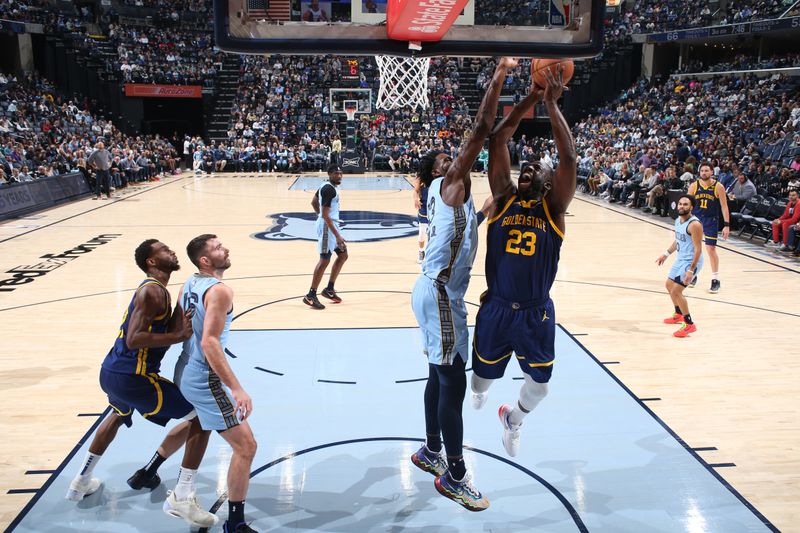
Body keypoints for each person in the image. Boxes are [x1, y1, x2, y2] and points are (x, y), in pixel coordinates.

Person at [409, 56, 517, 513]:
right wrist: (500, 76)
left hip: (431, 291)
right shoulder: (450, 182)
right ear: (440, 173)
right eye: (444, 159)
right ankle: (454, 473)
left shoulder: (449, 199)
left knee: (439, 373)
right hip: (440, 296)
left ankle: (431, 449)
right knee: (453, 382)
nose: (452, 158)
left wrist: (497, 201)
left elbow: (471, 222)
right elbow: (479, 130)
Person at [65, 239, 217, 529]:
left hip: (112, 372)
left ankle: (81, 481)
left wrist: (181, 313)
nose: (171, 250)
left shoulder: (159, 291)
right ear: (151, 261)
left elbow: (161, 328)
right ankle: (182, 496)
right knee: (201, 418)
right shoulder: (152, 291)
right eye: (163, 250)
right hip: (135, 377)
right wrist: (177, 336)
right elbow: (135, 338)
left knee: (117, 416)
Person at [469, 65, 576, 458]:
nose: (528, 168)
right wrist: (531, 97)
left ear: (550, 182)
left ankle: (513, 419)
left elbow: (568, 156)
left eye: (537, 168)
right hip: (496, 307)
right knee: (479, 382)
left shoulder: (555, 209)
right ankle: (483, 395)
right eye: (525, 166)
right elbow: (498, 141)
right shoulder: (504, 197)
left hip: (535, 313)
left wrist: (550, 103)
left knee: (541, 385)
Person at [176, 234, 259, 533]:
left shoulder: (190, 283)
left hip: (184, 366)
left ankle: (149, 469)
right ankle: (235, 523)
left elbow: (180, 325)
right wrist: (236, 389)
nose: (226, 249)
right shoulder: (220, 291)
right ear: (205, 260)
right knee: (246, 446)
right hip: (203, 377)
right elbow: (210, 342)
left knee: (195, 423)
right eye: (218, 248)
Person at [656, 194, 704, 338]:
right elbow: (678, 240)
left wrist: (691, 270)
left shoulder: (694, 225)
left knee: (677, 291)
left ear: (692, 207)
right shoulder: (678, 220)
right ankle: (678, 314)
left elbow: (698, 249)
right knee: (669, 285)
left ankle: (689, 324)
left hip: (691, 261)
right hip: (680, 258)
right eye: (680, 204)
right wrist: (666, 253)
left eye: (685, 204)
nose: (682, 206)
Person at [303, 164, 347, 309]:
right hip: (328, 228)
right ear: (329, 174)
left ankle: (329, 289)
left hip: (330, 224)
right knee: (324, 260)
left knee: (343, 255)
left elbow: (314, 202)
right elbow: (326, 216)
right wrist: (338, 236)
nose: (339, 176)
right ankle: (311, 295)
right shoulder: (328, 189)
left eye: (340, 173)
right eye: (336, 173)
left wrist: (321, 216)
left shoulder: (328, 186)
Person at [687, 161, 730, 293]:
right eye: (702, 171)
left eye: (706, 170)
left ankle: (715, 279)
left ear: (712, 172)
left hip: (711, 220)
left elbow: (724, 206)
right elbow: (687, 204)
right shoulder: (694, 186)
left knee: (711, 250)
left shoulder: (719, 187)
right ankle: (693, 274)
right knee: (694, 249)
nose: (704, 173)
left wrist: (727, 225)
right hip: (696, 220)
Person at [414, 170, 432, 263]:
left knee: (433, 233)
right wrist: (416, 198)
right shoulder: (420, 177)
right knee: (422, 233)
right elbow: (416, 191)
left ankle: (431, 253)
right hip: (424, 207)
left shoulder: (437, 176)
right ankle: (421, 252)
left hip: (434, 206)